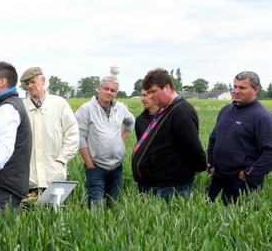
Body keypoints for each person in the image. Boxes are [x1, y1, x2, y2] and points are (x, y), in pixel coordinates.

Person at [133, 68, 206, 199]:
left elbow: (193, 147)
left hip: (170, 186)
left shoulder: (181, 111)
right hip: (157, 184)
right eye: (148, 92)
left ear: (167, 87)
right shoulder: (165, 109)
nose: (150, 96)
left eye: (153, 92)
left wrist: (197, 167)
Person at [207, 71, 272, 203]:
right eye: (234, 86)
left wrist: (248, 175)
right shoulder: (226, 110)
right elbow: (214, 138)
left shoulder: (262, 117)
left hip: (240, 182)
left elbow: (269, 152)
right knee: (209, 216)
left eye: (242, 87)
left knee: (235, 221)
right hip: (218, 177)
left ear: (255, 90)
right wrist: (211, 166)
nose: (236, 91)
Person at [75, 76, 135, 207]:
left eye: (113, 90)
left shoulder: (120, 108)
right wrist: (89, 164)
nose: (109, 92)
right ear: (98, 89)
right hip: (96, 167)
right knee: (96, 207)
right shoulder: (86, 109)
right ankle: (95, 228)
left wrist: (121, 138)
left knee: (113, 204)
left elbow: (130, 122)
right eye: (106, 88)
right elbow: (80, 137)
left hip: (116, 167)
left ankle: (111, 228)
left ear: (116, 93)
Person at [0, 61, 32, 209]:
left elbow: (4, 150)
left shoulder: (6, 108)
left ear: (2, 82)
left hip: (2, 187)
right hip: (7, 185)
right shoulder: (11, 103)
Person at [20, 67, 79, 196]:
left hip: (54, 172)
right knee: (29, 212)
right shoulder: (22, 107)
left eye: (33, 82)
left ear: (43, 81)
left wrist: (62, 160)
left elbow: (72, 134)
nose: (30, 86)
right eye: (27, 84)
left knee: (55, 212)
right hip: (29, 176)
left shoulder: (59, 104)